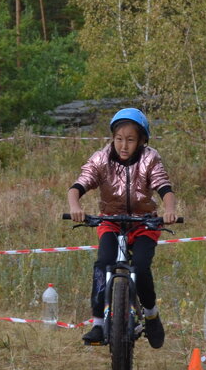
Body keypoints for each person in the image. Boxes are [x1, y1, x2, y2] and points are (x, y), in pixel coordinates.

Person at [67, 107, 178, 348]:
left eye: (130, 140)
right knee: (103, 263)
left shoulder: (151, 158)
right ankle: (98, 322)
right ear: (112, 139)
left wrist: (169, 210)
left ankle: (151, 315)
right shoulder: (101, 158)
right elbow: (78, 185)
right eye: (119, 139)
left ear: (141, 141)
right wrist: (75, 206)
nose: (123, 146)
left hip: (144, 223)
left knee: (140, 266)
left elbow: (164, 187)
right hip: (111, 221)